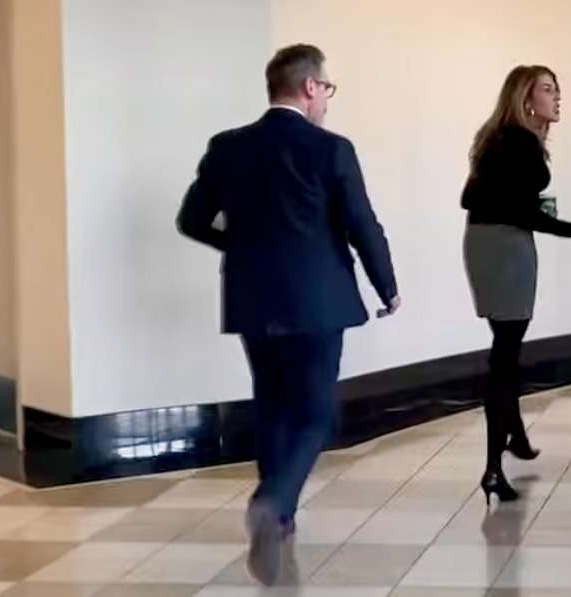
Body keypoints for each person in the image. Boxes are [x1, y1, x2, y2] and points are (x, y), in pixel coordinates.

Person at [176, 43, 399, 585]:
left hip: (253, 298)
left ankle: (282, 520)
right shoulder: (332, 149)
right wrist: (387, 286)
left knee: (272, 404)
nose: (328, 99)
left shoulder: (228, 147)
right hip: (317, 301)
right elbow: (361, 223)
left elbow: (191, 219)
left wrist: (244, 247)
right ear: (309, 88)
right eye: (328, 88)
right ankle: (273, 505)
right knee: (316, 412)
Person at [461, 65, 571, 504]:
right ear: (525, 99)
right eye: (547, 90)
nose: (557, 97)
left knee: (506, 347)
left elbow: (471, 197)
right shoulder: (519, 143)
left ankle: (515, 437)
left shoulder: (498, 137)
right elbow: (525, 214)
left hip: (484, 243)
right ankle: (491, 469)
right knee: (504, 358)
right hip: (506, 248)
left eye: (557, 89)